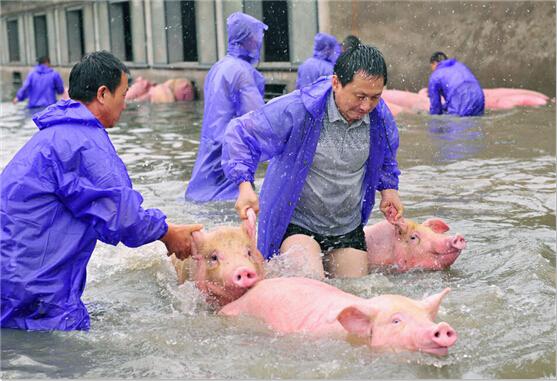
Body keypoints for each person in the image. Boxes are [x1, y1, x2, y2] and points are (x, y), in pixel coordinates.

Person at [0, 51, 203, 331]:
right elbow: (124, 218)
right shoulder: (85, 144)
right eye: (123, 93)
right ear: (103, 93)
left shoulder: (52, 136)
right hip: (36, 295)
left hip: (10, 281)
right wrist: (168, 234)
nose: (125, 103)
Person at [222, 45, 404, 279]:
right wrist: (244, 186)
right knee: (311, 283)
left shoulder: (379, 118)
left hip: (346, 225)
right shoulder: (300, 109)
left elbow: (386, 157)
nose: (366, 106)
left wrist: (389, 190)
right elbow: (241, 133)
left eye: (375, 97)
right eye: (360, 96)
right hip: (297, 222)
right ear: (336, 83)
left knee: (356, 294)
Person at [185, 12, 268, 202]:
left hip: (211, 147)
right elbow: (257, 119)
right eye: (256, 36)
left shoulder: (218, 66)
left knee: (203, 200)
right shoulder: (243, 72)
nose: (258, 42)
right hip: (230, 151)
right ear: (246, 39)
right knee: (232, 206)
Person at [428, 51, 485, 117]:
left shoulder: (435, 75)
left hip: (460, 95)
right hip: (478, 94)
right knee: (476, 122)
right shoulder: (459, 65)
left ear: (434, 63)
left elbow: (435, 107)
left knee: (456, 123)